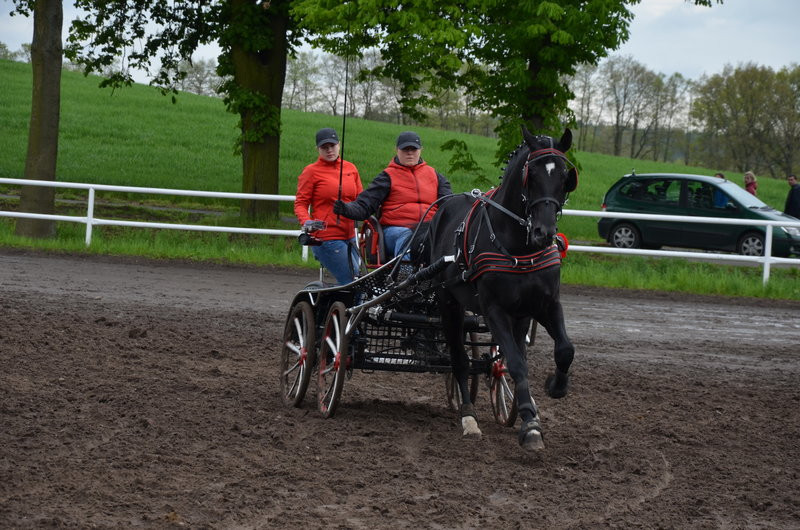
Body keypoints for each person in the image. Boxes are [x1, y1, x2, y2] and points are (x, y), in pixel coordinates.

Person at [333, 131, 452, 259]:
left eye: (414, 149)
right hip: (395, 231)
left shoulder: (435, 176)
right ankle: (404, 274)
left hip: (428, 231)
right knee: (406, 236)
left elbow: (449, 206)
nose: (410, 153)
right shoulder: (386, 177)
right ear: (397, 150)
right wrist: (346, 208)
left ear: (421, 150)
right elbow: (364, 206)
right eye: (405, 149)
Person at [294, 127, 363, 285]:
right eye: (324, 147)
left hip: (351, 236)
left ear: (339, 145)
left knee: (360, 279)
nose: (329, 150)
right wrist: (307, 222)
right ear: (318, 149)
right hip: (327, 238)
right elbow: (301, 203)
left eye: (332, 146)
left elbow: (360, 199)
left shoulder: (351, 169)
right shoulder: (311, 172)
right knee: (352, 280)